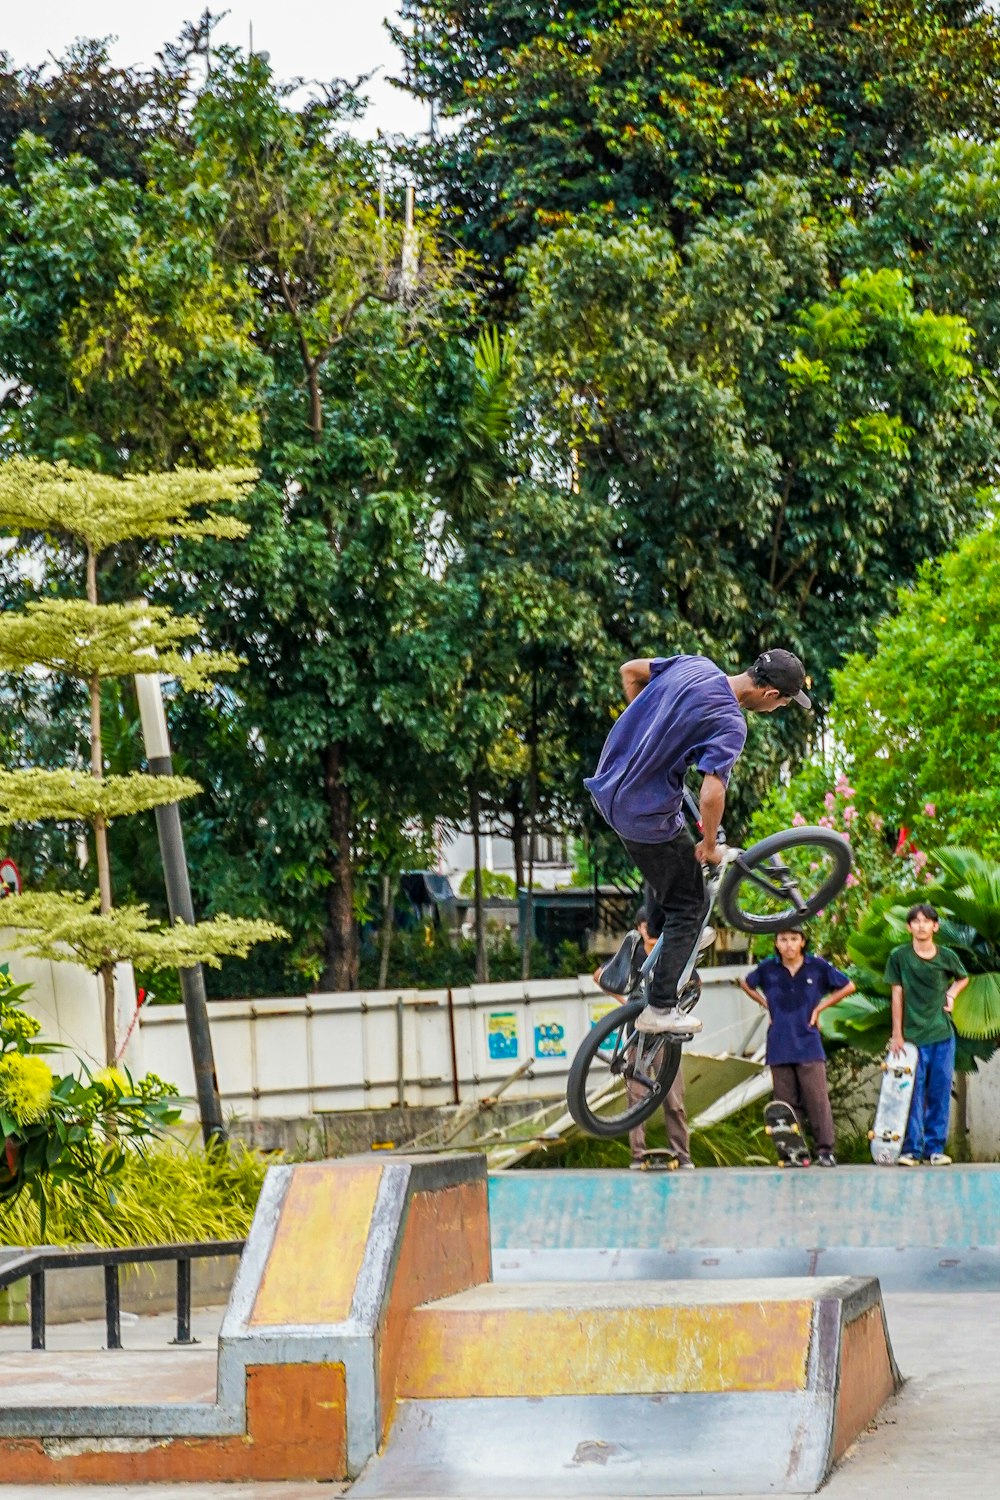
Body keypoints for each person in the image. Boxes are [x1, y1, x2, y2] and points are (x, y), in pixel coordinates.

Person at [585, 649, 811, 1036]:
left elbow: (630, 670)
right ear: (772, 696)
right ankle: (659, 1007)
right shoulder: (730, 722)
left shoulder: (696, 664)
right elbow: (711, 795)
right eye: (785, 704)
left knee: (674, 865)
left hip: (608, 786)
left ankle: (648, 944)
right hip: (642, 813)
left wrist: (652, 734)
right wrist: (709, 846)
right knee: (692, 905)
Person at [739, 929, 855, 1167]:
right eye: (783, 939)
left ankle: (825, 1150)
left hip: (809, 1042)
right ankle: (794, 1152)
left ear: (802, 942)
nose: (789, 945)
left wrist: (820, 1008)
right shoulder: (768, 968)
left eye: (794, 939)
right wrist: (766, 1005)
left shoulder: (816, 966)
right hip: (779, 1043)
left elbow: (848, 985)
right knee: (786, 1105)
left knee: (817, 1099)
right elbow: (746, 983)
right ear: (776, 943)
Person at [594, 906, 694, 1169]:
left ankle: (682, 1154)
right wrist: (627, 1002)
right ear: (639, 928)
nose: (649, 931)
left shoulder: (671, 955)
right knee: (635, 1099)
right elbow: (600, 975)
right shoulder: (634, 955)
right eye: (645, 926)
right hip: (636, 1038)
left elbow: (694, 983)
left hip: (665, 1040)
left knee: (674, 1101)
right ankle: (638, 1155)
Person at [885, 903, 969, 1167]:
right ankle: (911, 1149)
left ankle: (935, 1149)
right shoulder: (899, 956)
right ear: (909, 927)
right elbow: (897, 994)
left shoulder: (947, 956)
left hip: (942, 1035)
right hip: (910, 1039)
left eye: (927, 921)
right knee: (911, 1093)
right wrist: (897, 1034)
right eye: (916, 921)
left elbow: (963, 978)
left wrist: (952, 995)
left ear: (935, 926)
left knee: (940, 1091)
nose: (921, 925)